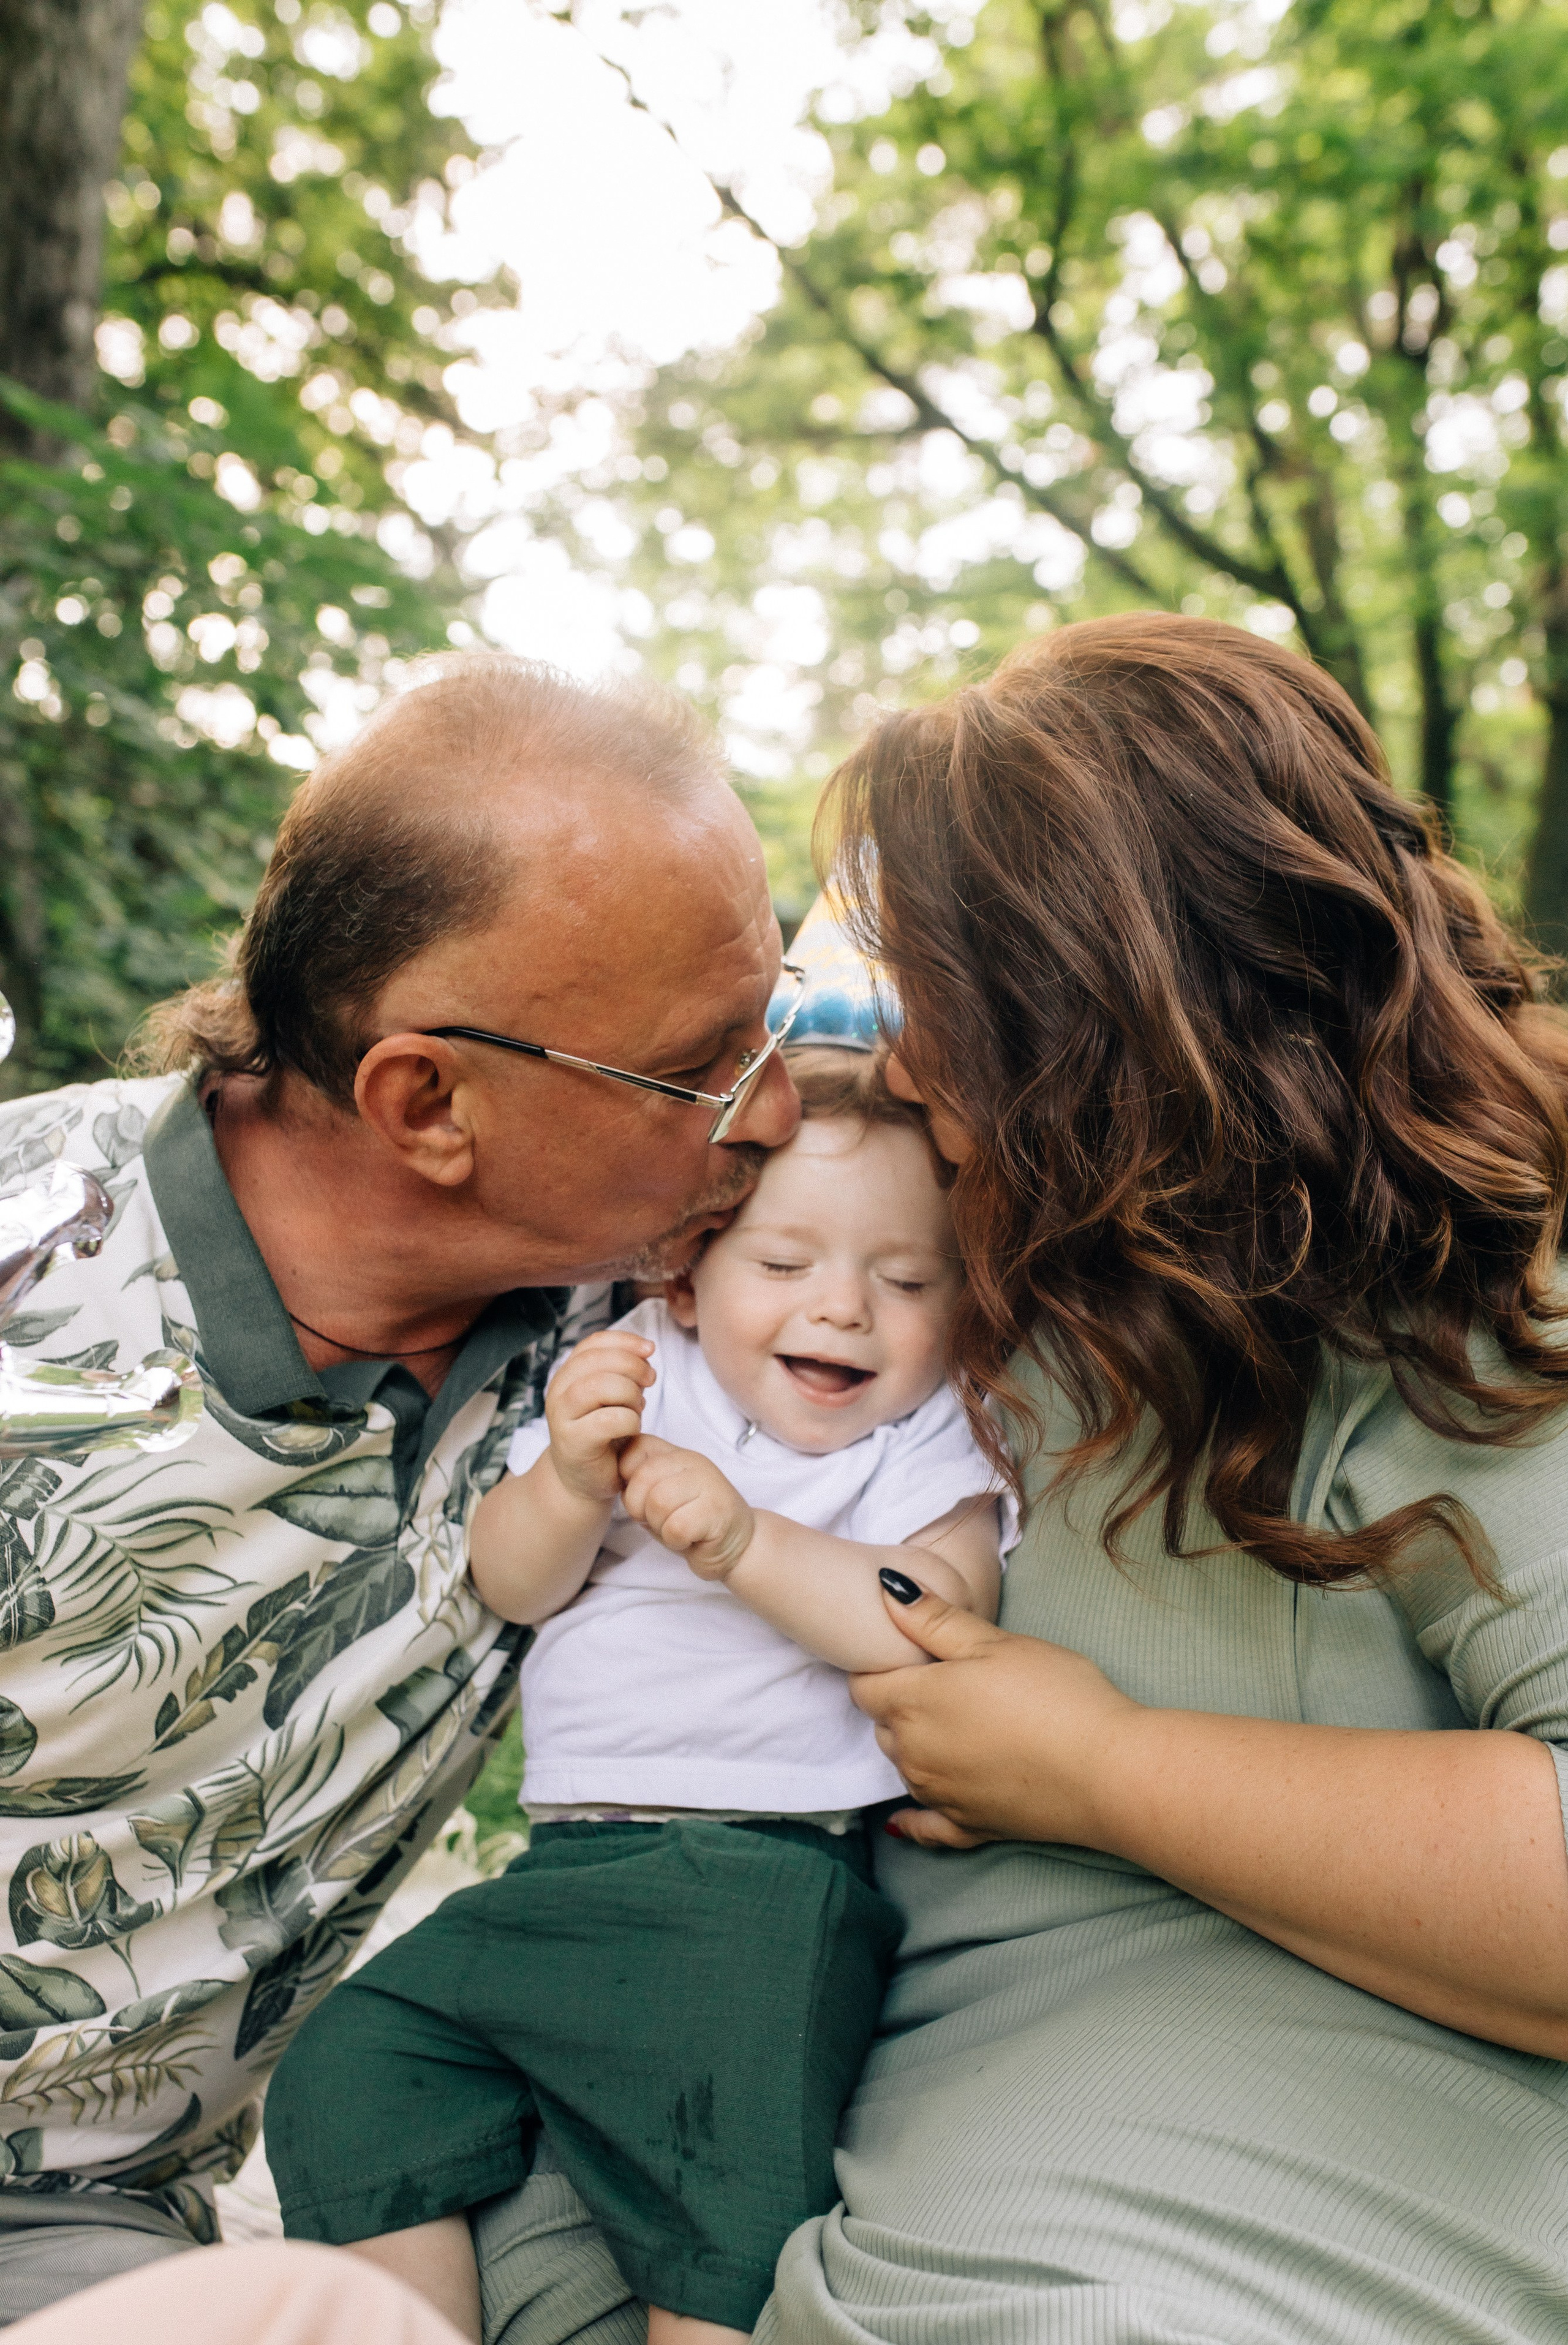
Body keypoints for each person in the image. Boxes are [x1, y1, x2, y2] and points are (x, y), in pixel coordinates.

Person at [473, 615, 1568, 2345]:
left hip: (1208, 2180)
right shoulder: (991, 1253)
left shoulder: (1486, 1295)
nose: (903, 1064)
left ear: (1123, 1016)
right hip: (791, 2033)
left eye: (954, 1010)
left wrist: (1110, 1768)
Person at [0, 652, 798, 2323]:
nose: (779, 1108)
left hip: (81, 2227)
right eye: (708, 1066)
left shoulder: (659, 1328)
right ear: (425, 1099)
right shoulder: (26, 1263)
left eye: (780, 1023)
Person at [263, 1050, 1009, 2345]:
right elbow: (512, 1581)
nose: (841, 1312)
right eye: (782, 1268)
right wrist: (563, 1482)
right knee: (350, 2071)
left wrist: (747, 1546)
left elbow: (938, 1615)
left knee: (718, 2224)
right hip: (562, 1874)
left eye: (903, 1281)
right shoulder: (637, 1371)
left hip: (758, 1888)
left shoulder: (923, 1432)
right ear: (689, 1271)